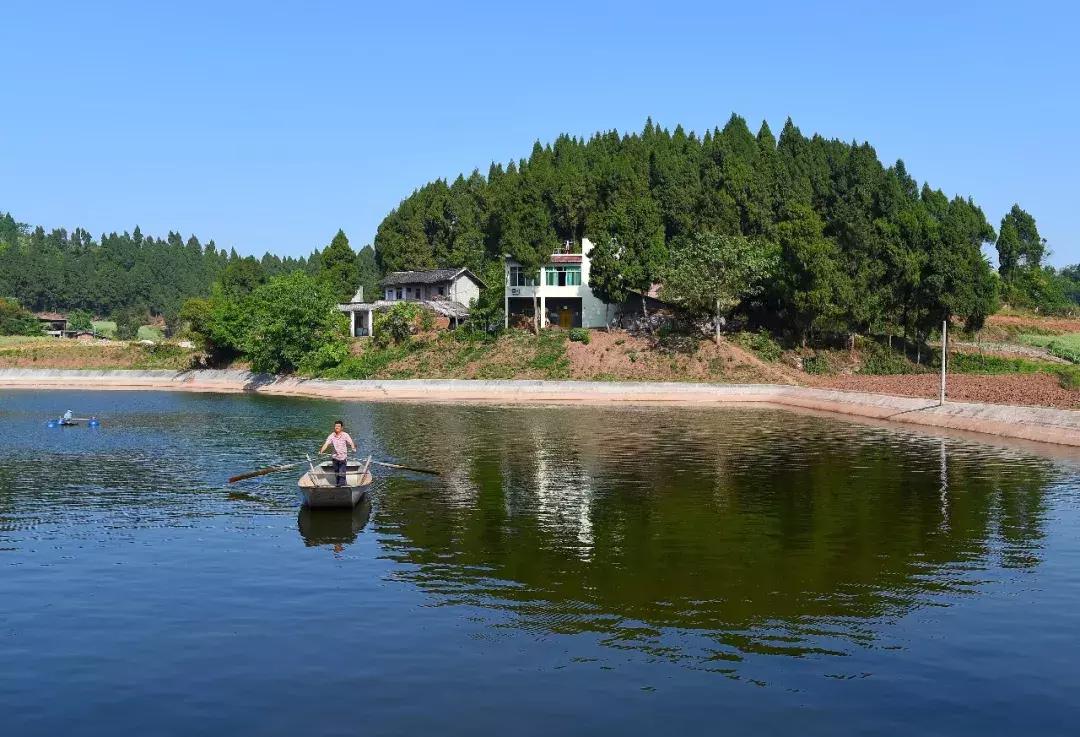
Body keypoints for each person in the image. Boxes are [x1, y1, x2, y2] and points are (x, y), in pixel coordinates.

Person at [319, 420, 356, 486]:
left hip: (342, 458)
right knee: (336, 473)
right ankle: (338, 486)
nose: (337, 427)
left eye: (338, 426)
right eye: (336, 426)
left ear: (342, 428)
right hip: (335, 458)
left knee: (341, 473)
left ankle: (341, 486)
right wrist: (321, 451)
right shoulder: (331, 436)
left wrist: (353, 448)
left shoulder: (345, 435)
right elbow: (326, 444)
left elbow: (351, 442)